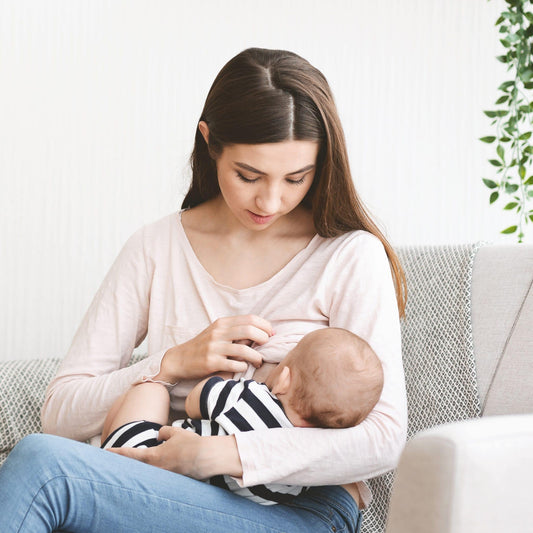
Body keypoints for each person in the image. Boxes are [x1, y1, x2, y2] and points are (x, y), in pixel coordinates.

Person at [0, 47, 407, 533]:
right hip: (166, 488)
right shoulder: (156, 247)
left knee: (45, 471)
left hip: (296, 508)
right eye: (249, 175)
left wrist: (219, 453)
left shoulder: (348, 255)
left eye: (297, 178)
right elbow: (61, 413)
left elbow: (383, 437)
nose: (271, 200)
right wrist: (170, 363)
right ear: (209, 141)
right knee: (42, 460)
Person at [100, 327, 384, 505]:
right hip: (201, 499)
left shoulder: (252, 397)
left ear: (283, 379)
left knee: (150, 390)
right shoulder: (301, 471)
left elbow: (194, 402)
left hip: (152, 460)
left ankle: (105, 456)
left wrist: (226, 377)